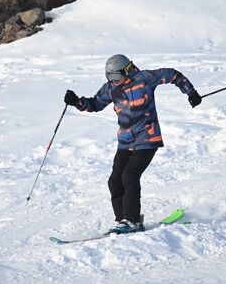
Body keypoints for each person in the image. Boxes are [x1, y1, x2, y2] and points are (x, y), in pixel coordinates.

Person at [64, 54, 202, 234]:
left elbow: (173, 75)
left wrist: (190, 92)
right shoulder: (110, 88)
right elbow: (95, 104)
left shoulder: (144, 79)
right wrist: (77, 102)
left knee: (130, 175)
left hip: (147, 138)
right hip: (125, 142)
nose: (113, 81)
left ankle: (133, 221)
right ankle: (122, 220)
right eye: (109, 77)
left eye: (116, 76)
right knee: (114, 181)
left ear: (127, 70)